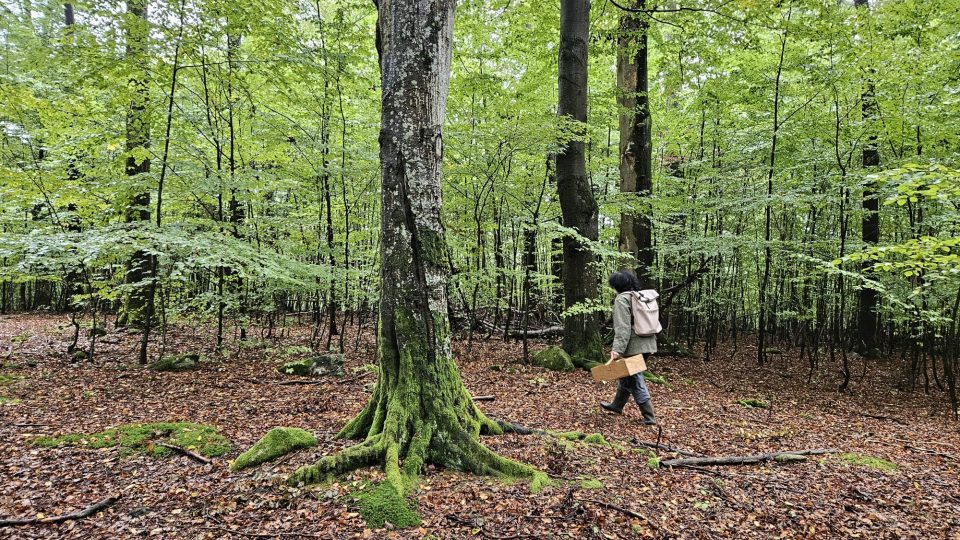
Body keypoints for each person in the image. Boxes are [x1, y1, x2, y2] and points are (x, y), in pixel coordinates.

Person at [600, 271, 657, 425]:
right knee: (626, 375)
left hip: (633, 346)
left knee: (635, 379)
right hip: (648, 343)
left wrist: (617, 349)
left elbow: (623, 327)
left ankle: (649, 417)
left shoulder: (622, 299)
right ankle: (617, 405)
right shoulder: (641, 297)